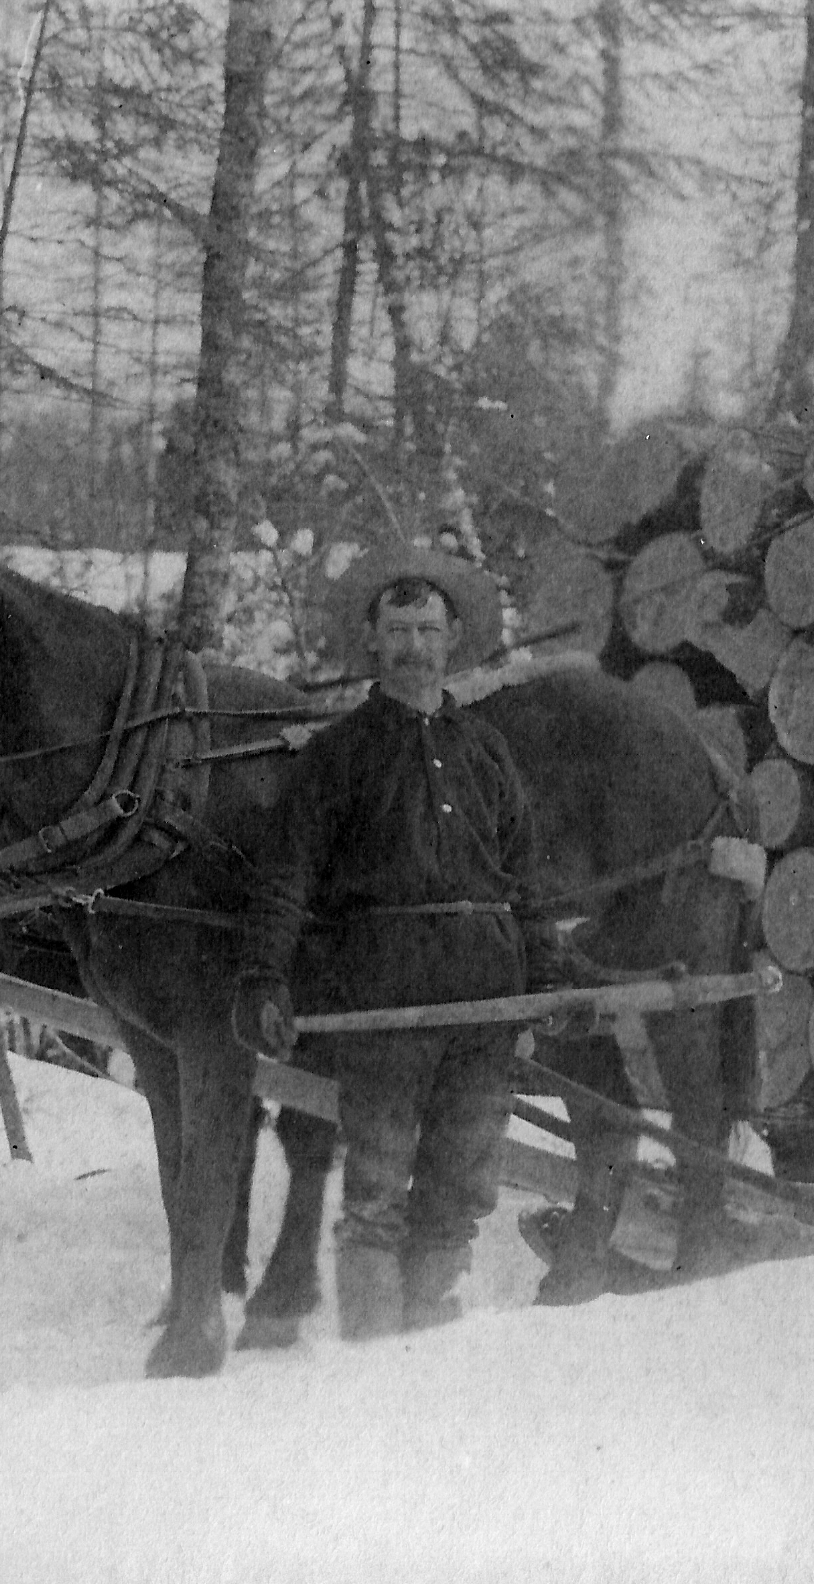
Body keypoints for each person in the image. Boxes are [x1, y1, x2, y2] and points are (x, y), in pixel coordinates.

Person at [232, 545, 582, 1341]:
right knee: (378, 1196)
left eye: (428, 628)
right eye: (398, 629)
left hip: (483, 1008)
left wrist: (547, 972)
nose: (414, 646)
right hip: (384, 1007)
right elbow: (284, 876)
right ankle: (373, 1366)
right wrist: (263, 977)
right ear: (372, 641)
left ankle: (427, 1347)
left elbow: (525, 877)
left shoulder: (486, 750)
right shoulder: (337, 756)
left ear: (453, 637)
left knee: (460, 1193)